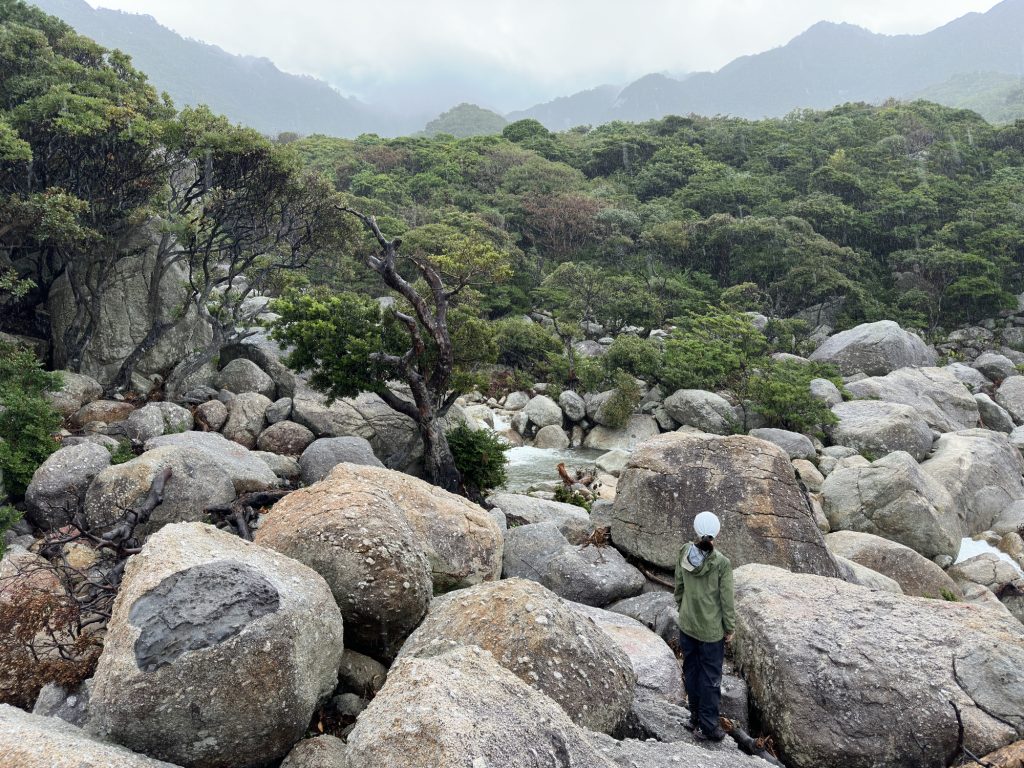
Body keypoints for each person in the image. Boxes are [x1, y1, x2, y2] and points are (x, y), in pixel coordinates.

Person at [673, 510, 735, 742]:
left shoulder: (684, 552)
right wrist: (729, 628)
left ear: (696, 530)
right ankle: (708, 726)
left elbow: (678, 586)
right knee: (710, 678)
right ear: (716, 533)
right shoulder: (722, 564)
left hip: (687, 625)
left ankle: (694, 717)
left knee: (691, 671)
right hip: (710, 633)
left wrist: (683, 609)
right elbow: (726, 601)